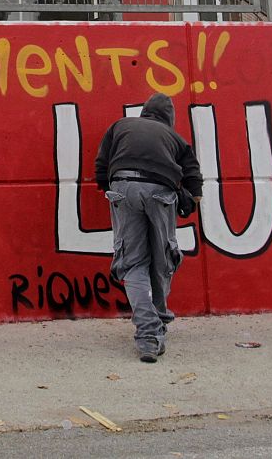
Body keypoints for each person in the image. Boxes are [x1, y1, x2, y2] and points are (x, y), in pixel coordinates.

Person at [93, 91, 202, 363]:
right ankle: (158, 323)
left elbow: (101, 165)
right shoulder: (174, 137)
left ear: (143, 112)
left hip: (122, 186)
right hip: (160, 190)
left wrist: (114, 192)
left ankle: (148, 335)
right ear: (169, 118)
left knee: (133, 264)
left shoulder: (121, 126)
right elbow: (193, 176)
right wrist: (191, 198)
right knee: (163, 260)